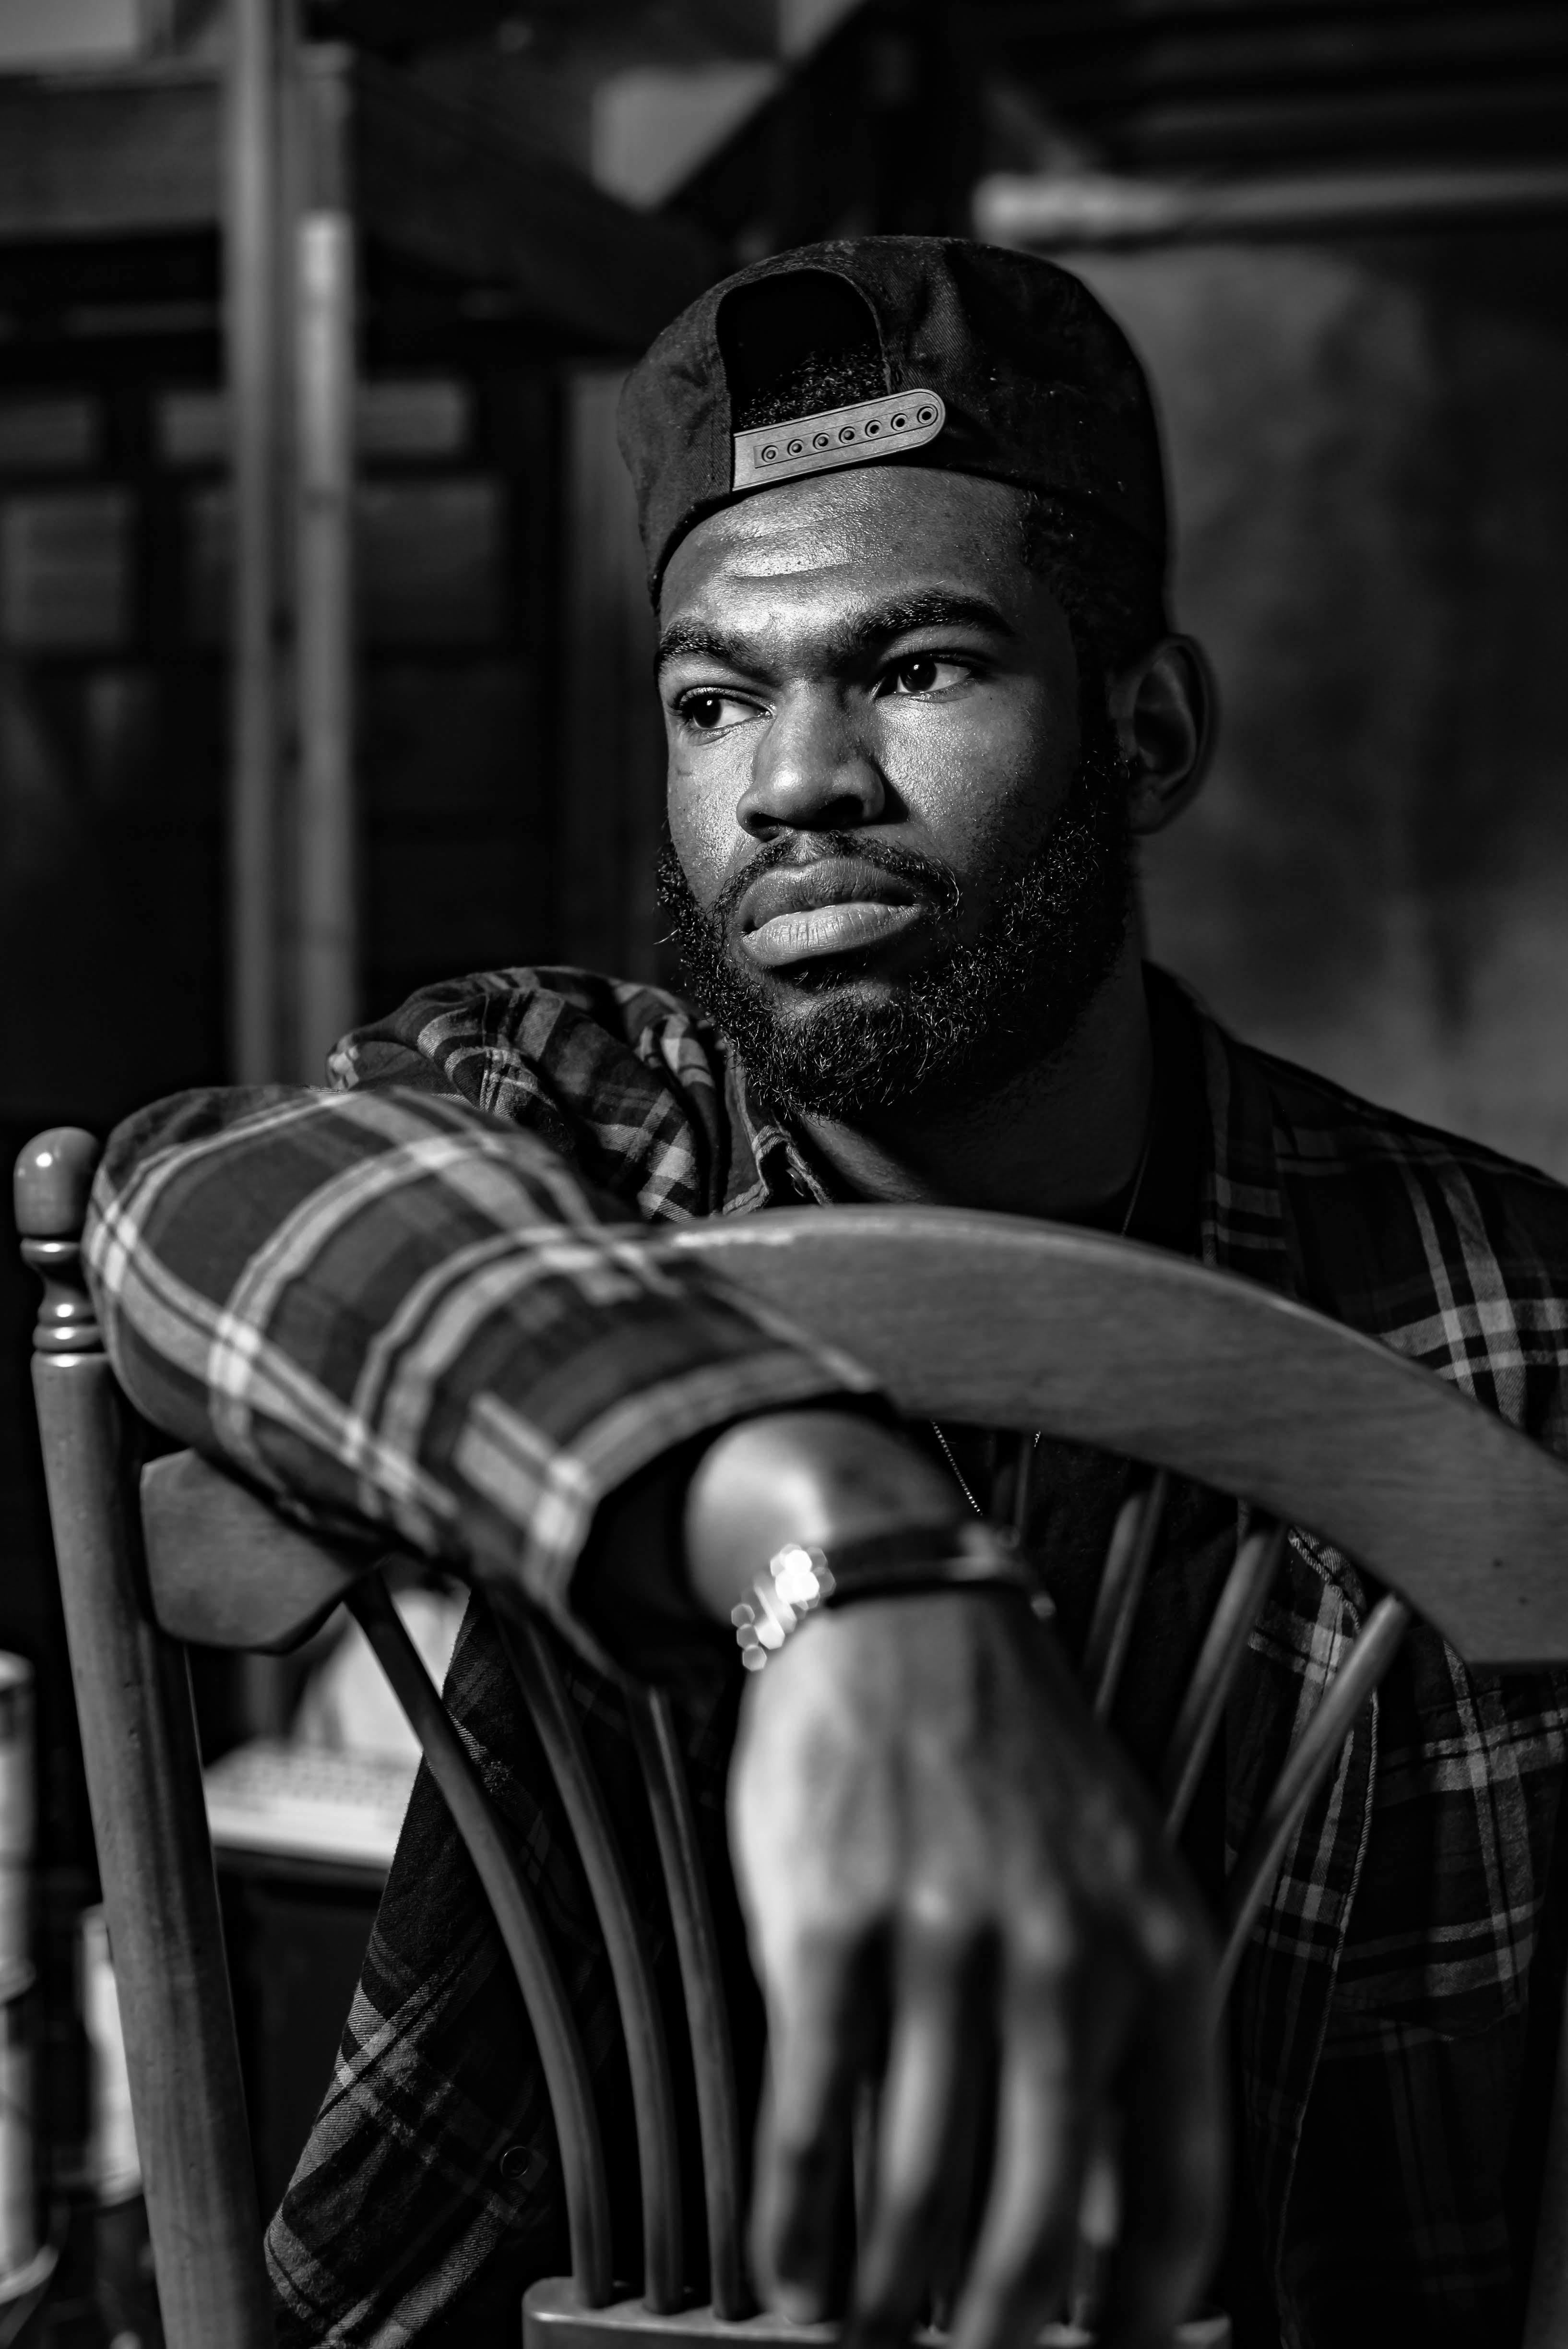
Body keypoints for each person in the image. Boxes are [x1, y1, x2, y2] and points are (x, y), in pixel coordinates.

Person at [84, 239, 1568, 2349]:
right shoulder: (578, 1123)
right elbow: (189, 1204)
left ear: (1143, 734)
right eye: (716, 700)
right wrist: (826, 1547)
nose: (794, 786)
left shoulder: (1501, 1318)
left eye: (917, 668)